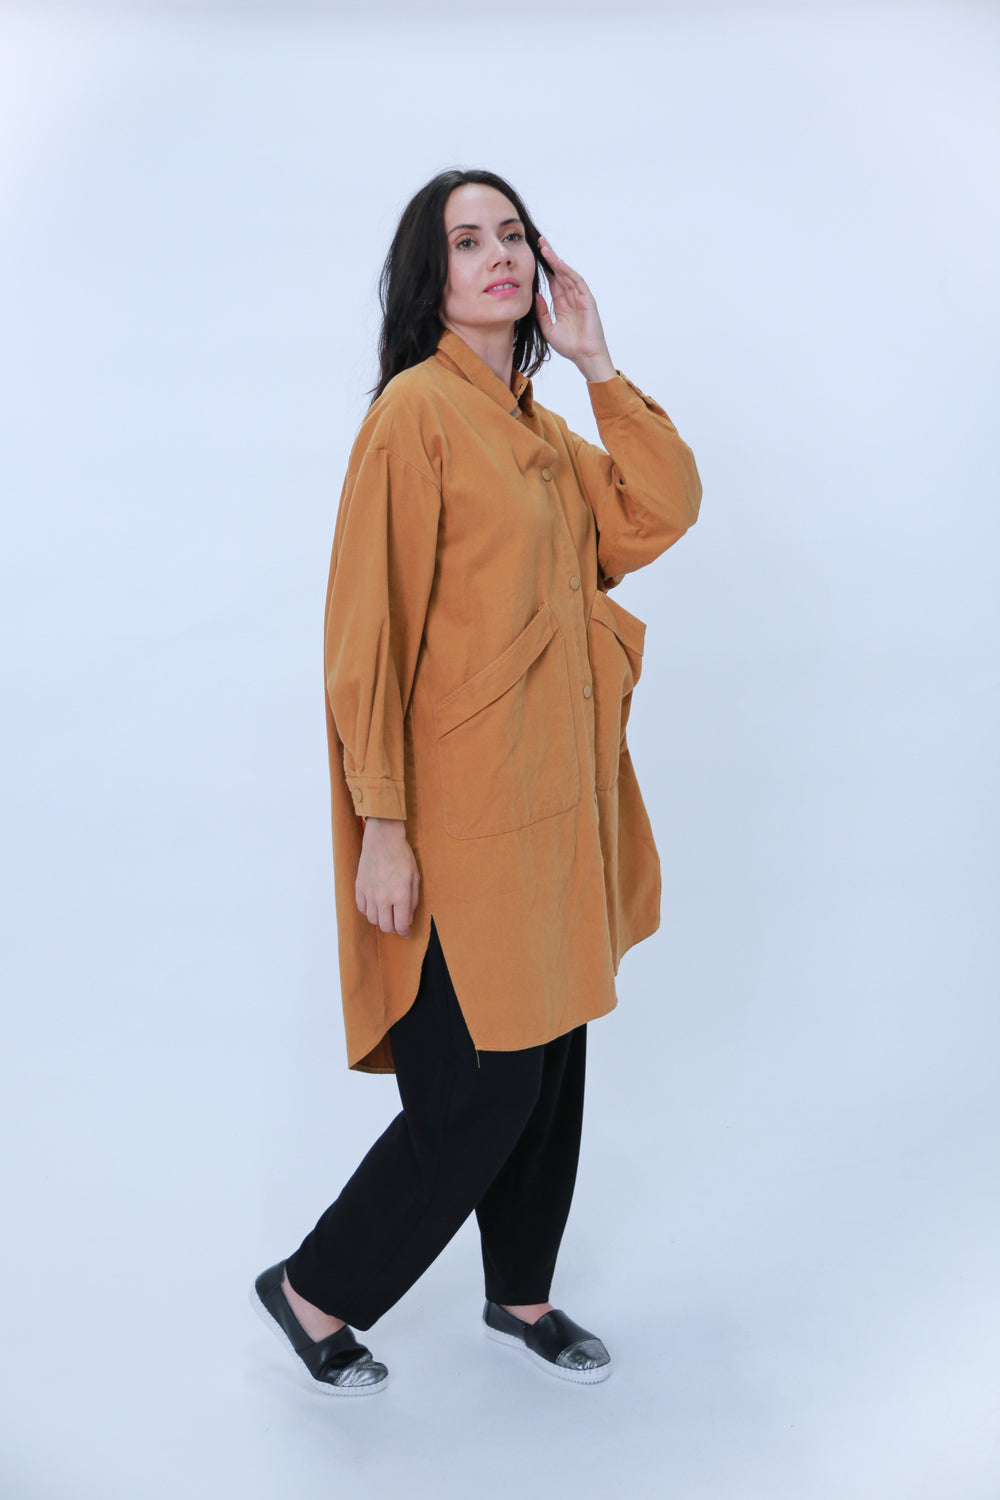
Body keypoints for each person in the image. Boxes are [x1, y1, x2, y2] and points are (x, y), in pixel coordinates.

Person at [251, 167, 702, 1396]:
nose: (497, 255)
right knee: (481, 1086)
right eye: (466, 241)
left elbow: (660, 509)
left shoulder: (540, 434)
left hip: (560, 802)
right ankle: (313, 1289)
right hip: (458, 814)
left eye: (512, 234)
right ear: (429, 274)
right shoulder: (416, 415)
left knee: (548, 1057)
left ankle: (522, 1293)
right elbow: (367, 638)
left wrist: (597, 363)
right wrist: (382, 827)